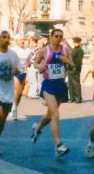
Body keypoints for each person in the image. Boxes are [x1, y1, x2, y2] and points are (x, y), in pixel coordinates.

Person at [30, 28, 74, 158]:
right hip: (48, 85)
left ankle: (37, 129)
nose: (58, 38)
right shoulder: (44, 50)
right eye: (56, 36)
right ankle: (58, 146)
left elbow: (73, 66)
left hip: (60, 85)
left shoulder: (65, 50)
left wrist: (67, 61)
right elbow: (35, 64)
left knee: (49, 116)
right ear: (51, 37)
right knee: (55, 115)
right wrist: (40, 67)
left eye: (61, 36)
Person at [11, 34, 32, 119]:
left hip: (23, 72)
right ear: (16, 41)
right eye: (20, 40)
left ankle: (14, 107)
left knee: (19, 94)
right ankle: (13, 109)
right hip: (14, 73)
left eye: (23, 39)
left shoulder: (28, 50)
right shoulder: (12, 50)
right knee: (17, 91)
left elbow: (30, 61)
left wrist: (29, 63)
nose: (22, 41)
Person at [68, 37, 84, 103]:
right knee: (71, 84)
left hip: (75, 68)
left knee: (76, 84)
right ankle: (72, 98)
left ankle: (78, 98)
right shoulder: (74, 49)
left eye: (76, 42)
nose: (74, 43)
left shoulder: (79, 50)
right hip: (70, 68)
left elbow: (78, 61)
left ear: (79, 43)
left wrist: (75, 68)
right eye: (74, 42)